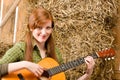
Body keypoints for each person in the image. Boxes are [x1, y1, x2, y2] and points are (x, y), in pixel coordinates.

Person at [0, 7, 95, 80]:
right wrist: (25, 64)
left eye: (48, 28)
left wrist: (87, 74)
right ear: (31, 28)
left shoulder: (56, 53)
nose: (44, 32)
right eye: (39, 27)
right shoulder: (21, 48)